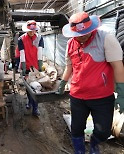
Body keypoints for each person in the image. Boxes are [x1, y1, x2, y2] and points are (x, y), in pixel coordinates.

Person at [57, 11, 124, 154]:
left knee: (103, 131)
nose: (83, 36)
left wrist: (122, 92)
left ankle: (94, 143)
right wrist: (62, 82)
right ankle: (79, 151)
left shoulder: (106, 39)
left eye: (87, 32)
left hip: (102, 97)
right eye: (79, 34)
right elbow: (69, 66)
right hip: (78, 96)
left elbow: (118, 66)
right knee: (76, 128)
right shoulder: (70, 44)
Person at [18, 20, 44, 116]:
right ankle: (29, 101)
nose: (32, 32)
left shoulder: (40, 38)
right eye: (30, 31)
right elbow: (22, 54)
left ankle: (35, 108)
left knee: (36, 88)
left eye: (34, 30)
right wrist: (24, 68)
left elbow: (40, 53)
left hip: (35, 66)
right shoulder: (21, 39)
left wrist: (40, 66)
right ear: (26, 30)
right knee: (29, 87)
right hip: (27, 65)